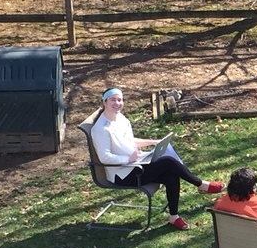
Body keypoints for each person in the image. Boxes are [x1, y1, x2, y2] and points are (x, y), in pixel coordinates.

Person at [90, 87, 224, 230]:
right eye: (113, 100)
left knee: (171, 174)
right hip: (123, 174)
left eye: (120, 100)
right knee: (168, 162)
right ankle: (201, 185)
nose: (117, 103)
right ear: (104, 102)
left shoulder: (121, 118)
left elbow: (130, 140)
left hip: (136, 164)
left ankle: (174, 217)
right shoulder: (100, 129)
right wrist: (128, 158)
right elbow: (104, 158)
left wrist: (153, 142)